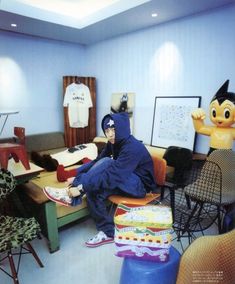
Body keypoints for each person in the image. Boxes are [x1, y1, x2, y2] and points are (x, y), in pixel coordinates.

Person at [43, 112, 158, 248]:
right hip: (123, 180)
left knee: (108, 163)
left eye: (113, 130)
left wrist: (80, 187)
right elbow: (96, 162)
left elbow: (113, 174)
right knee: (94, 190)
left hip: (141, 187)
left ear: (122, 128)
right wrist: (75, 173)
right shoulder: (112, 144)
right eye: (107, 130)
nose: (110, 134)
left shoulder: (132, 147)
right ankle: (108, 232)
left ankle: (73, 194)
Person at [191, 80, 235, 155]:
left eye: (226, 114)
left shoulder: (232, 131)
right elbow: (200, 128)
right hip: (211, 154)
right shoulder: (213, 129)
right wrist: (196, 119)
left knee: (224, 166)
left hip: (227, 155)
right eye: (214, 113)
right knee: (210, 166)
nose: (218, 118)